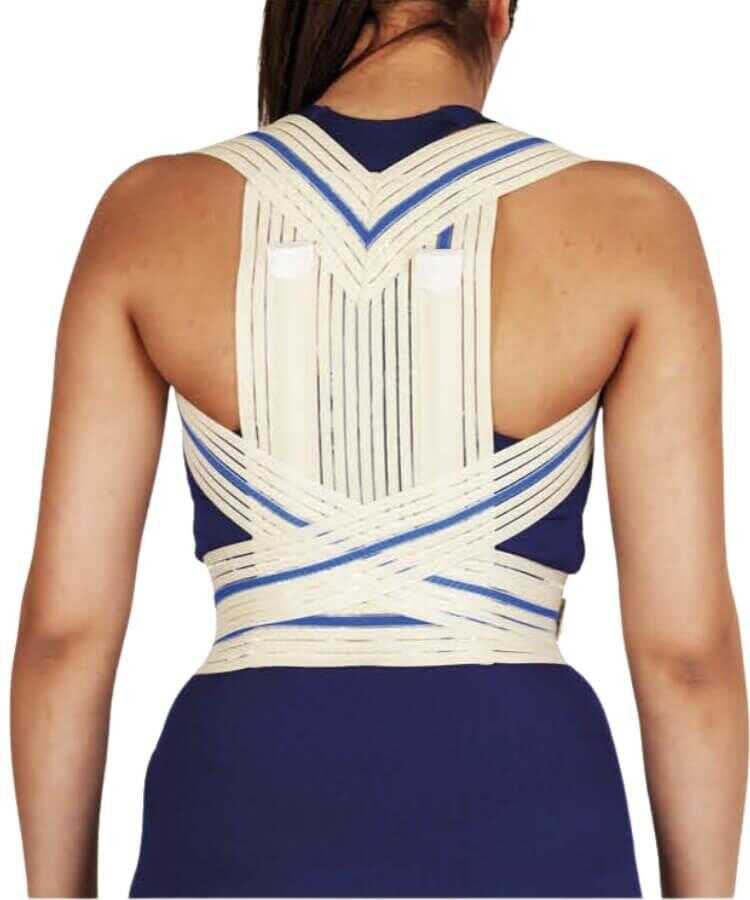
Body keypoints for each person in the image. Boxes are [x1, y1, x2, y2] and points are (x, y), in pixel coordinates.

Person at [12, 0, 747, 896]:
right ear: (496, 10)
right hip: (526, 803)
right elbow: (685, 656)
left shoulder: (149, 213)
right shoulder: (632, 222)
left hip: (239, 801)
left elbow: (64, 638)